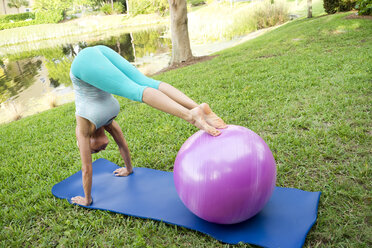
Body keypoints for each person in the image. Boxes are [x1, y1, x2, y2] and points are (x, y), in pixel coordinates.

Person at [70, 45, 227, 206]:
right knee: (146, 82)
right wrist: (128, 169)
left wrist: (87, 199)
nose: (99, 150)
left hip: (82, 64)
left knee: (135, 90)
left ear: (86, 141)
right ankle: (198, 108)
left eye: (93, 150)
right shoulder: (108, 121)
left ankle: (191, 116)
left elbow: (86, 169)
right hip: (99, 51)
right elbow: (122, 144)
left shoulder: (83, 128)